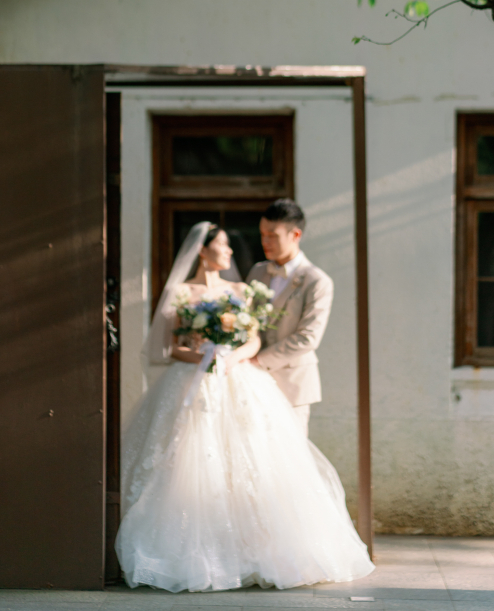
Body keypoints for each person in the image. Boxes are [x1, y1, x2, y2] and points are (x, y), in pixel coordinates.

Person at [115, 221, 374, 593]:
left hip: (239, 376)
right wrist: (204, 356)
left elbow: (253, 338)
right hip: (195, 380)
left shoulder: (240, 288)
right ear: (203, 250)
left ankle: (260, 546)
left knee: (255, 458)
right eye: (223, 244)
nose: (231, 251)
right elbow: (172, 347)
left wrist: (231, 355)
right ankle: (199, 546)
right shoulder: (182, 291)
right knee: (190, 458)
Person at [248, 198, 333, 437]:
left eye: (272, 235)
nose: (265, 242)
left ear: (295, 234)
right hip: (251, 383)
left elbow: (308, 338)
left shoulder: (317, 281)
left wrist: (257, 361)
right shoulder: (257, 271)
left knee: (290, 456)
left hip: (292, 383)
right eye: (262, 234)